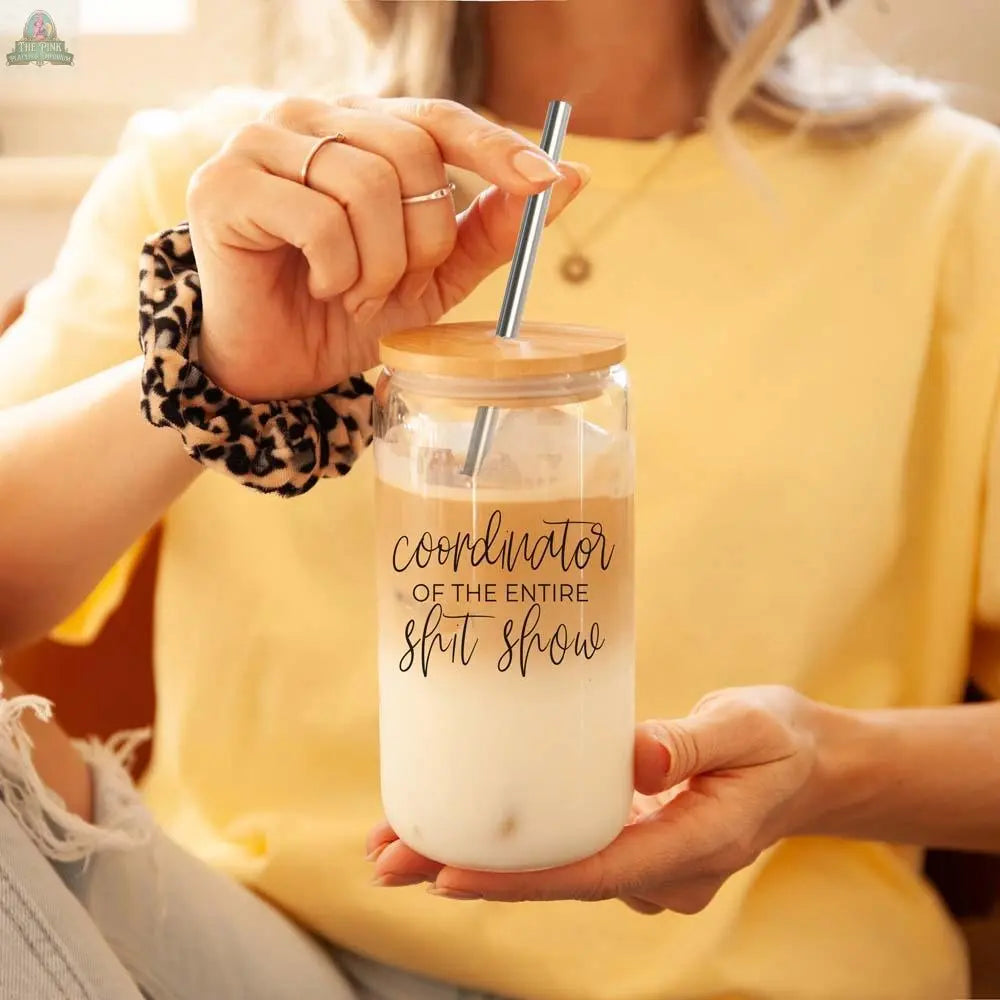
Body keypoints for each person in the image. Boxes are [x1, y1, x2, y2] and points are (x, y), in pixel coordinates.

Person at [1, 1, 999, 998]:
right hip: (249, 955)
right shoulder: (246, 191)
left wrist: (826, 765)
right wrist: (213, 373)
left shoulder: (953, 199)